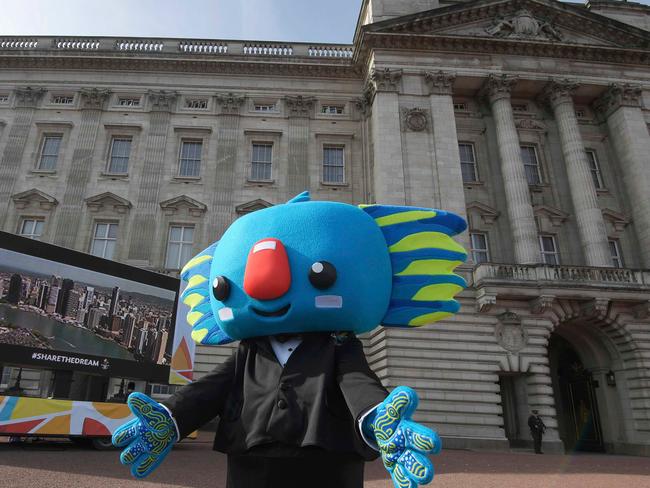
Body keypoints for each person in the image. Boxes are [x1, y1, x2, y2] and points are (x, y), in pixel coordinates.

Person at [112, 192, 468, 488]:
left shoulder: (339, 344)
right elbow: (211, 389)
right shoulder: (249, 350)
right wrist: (170, 417)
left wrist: (380, 421)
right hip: (252, 458)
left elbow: (358, 382)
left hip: (325, 460)